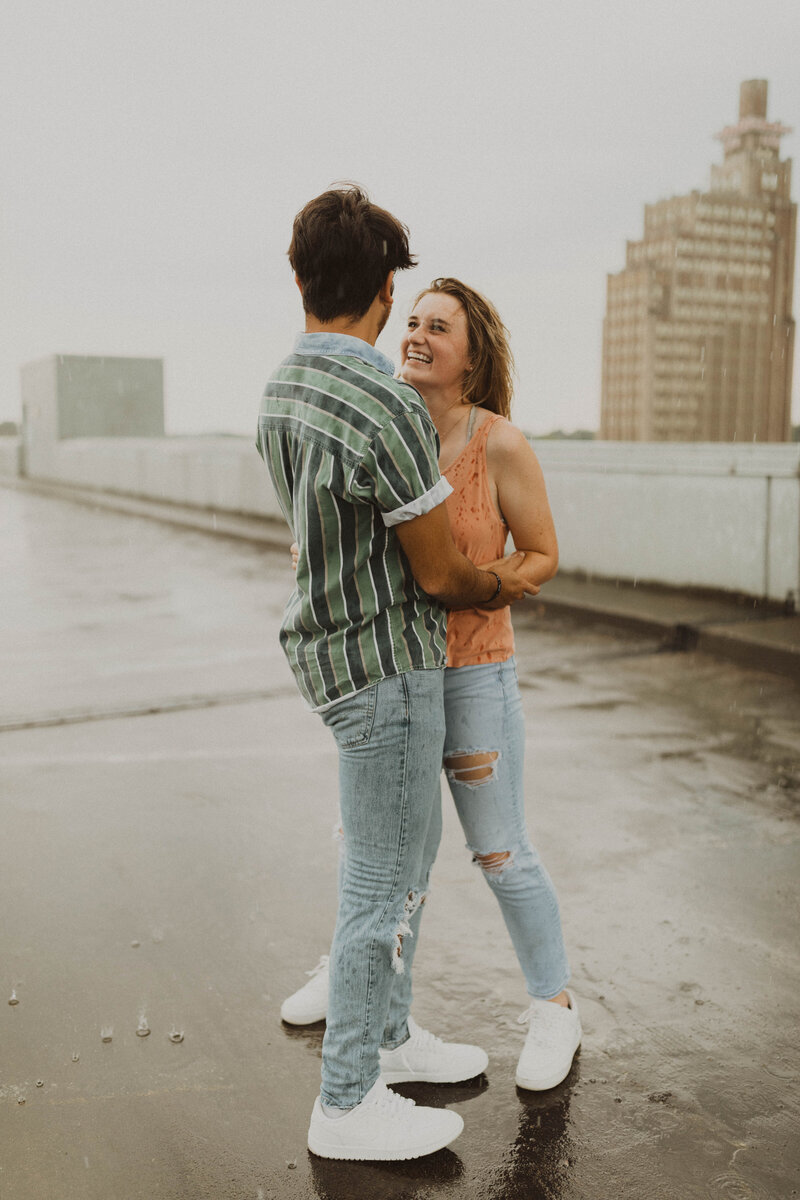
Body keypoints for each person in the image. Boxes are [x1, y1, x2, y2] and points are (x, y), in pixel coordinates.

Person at [257, 190, 535, 1162]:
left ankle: (388, 1037)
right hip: (389, 669)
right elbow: (437, 572)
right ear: (381, 291)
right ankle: (344, 1101)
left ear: (301, 277)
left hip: (329, 655)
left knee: (402, 866)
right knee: (384, 882)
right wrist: (502, 579)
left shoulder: (281, 388)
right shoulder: (379, 398)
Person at [282, 277, 581, 1096]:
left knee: (501, 851)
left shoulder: (501, 444)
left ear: (473, 355)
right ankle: (354, 983)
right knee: (378, 852)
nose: (414, 334)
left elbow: (543, 553)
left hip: (473, 673)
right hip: (395, 673)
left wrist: (479, 584)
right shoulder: (390, 420)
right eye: (410, 321)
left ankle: (554, 1007)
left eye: (436, 327)